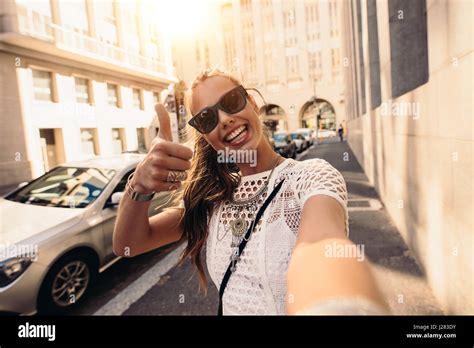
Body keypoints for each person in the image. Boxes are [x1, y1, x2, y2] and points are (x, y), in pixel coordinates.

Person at [113, 68, 388, 315]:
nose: (224, 119)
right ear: (205, 135)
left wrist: (338, 305)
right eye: (207, 118)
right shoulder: (212, 201)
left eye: (231, 102)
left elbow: (321, 246)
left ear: (252, 103)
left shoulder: (310, 177)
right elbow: (129, 245)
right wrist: (139, 185)